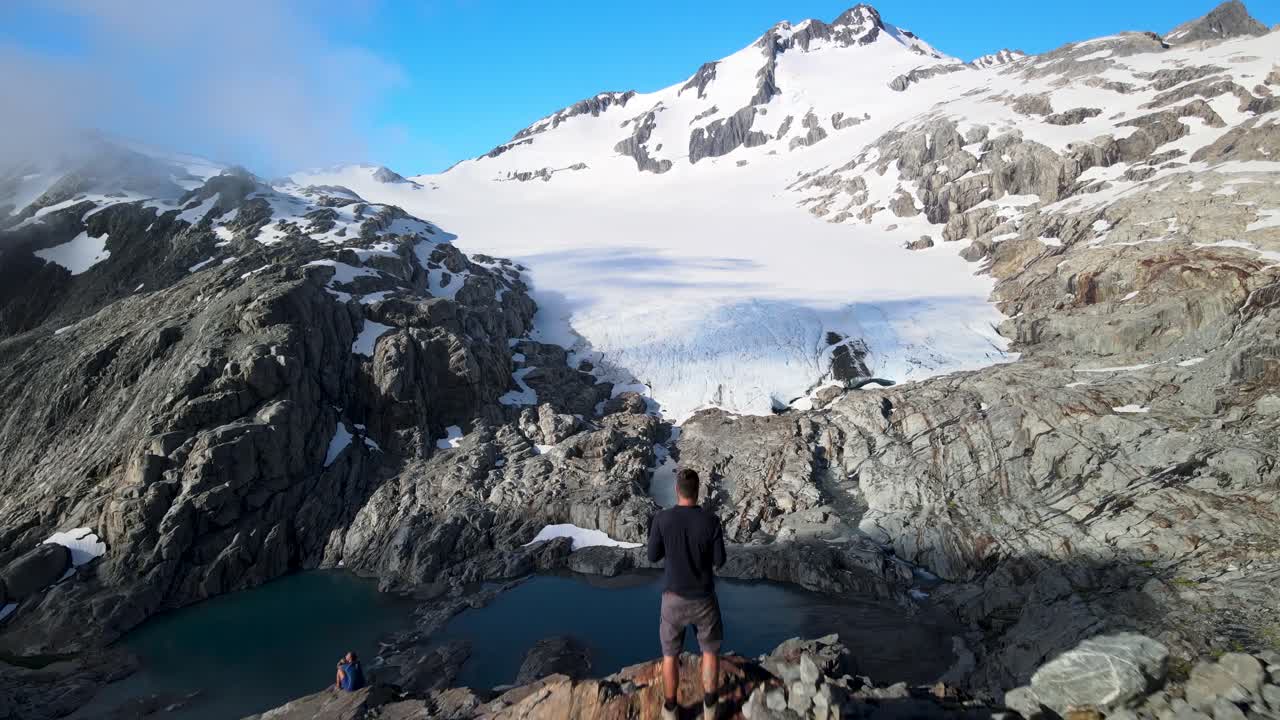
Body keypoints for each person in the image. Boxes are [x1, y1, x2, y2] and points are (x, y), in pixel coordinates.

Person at [647, 468, 727, 720]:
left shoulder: (662, 519)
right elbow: (720, 561)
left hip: (673, 599)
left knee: (670, 655)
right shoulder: (711, 521)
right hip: (704, 598)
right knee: (710, 652)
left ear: (676, 490)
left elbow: (652, 556)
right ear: (698, 490)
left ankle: (671, 708)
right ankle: (710, 708)